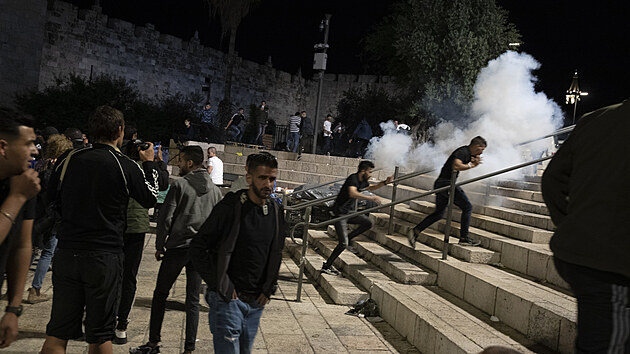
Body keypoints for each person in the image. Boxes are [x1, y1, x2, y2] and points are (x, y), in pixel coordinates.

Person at [40, 105, 162, 354]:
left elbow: (49, 198)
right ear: (120, 130)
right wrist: (149, 164)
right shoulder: (125, 165)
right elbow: (151, 197)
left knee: (57, 334)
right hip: (104, 256)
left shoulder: (69, 158)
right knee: (100, 336)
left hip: (67, 251)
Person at [542, 99, 630, 353]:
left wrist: (572, 225)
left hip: (583, 254)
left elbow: (552, 179)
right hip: (609, 265)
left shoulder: (597, 117)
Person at [190, 152, 285, 353]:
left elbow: (276, 251)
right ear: (249, 178)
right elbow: (198, 247)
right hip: (228, 302)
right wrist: (219, 283)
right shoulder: (231, 207)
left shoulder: (276, 211)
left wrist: (269, 287)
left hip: (256, 302)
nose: (268, 184)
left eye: (272, 178)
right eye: (262, 178)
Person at [131, 146, 223, 354]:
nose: (179, 164)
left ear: (190, 163)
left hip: (178, 247)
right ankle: (189, 349)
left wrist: (160, 244)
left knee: (160, 294)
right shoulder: (216, 191)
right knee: (192, 300)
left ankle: (154, 342)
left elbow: (166, 218)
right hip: (200, 251)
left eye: (181, 160)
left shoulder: (180, 185)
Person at [114, 135, 169, 345]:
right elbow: (160, 185)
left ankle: (108, 318)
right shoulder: (143, 169)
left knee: (113, 274)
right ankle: (121, 324)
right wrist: (154, 163)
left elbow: (161, 184)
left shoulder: (120, 164)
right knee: (128, 276)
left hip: (118, 225)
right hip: (134, 226)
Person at [0, 108, 40, 349]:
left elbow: (23, 245)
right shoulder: (20, 189)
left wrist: (13, 308)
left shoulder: (22, 182)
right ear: (3, 146)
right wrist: (16, 198)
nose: (34, 150)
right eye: (28, 144)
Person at [407, 136, 487, 248]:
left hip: (442, 183)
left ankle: (415, 231)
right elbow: (456, 165)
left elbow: (473, 158)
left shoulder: (469, 153)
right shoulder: (463, 151)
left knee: (439, 213)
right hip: (447, 184)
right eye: (481, 150)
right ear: (476, 146)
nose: (481, 153)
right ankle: (464, 238)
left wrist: (475, 159)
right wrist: (471, 165)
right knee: (467, 206)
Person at [321, 160, 393, 275]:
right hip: (339, 214)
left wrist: (385, 182)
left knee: (367, 223)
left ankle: (349, 238)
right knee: (343, 244)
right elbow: (352, 193)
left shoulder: (362, 181)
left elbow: (371, 188)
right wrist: (371, 199)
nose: (371, 174)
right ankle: (327, 266)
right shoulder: (353, 179)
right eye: (369, 172)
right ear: (363, 171)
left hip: (348, 213)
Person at [26, 134, 73, 304]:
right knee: (47, 252)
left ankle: (14, 288)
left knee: (31, 251)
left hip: (35, 214)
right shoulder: (57, 170)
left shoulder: (39, 164)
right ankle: (35, 289)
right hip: (50, 218)